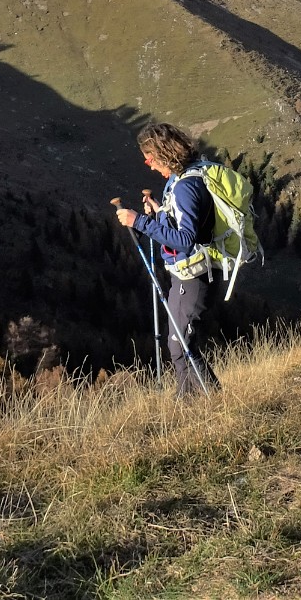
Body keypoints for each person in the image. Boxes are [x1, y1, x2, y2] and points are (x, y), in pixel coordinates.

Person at [115, 121, 220, 398]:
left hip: (194, 275)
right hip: (184, 274)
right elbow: (182, 221)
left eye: (149, 158)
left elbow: (186, 239)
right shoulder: (181, 177)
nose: (148, 165)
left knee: (181, 345)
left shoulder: (186, 185)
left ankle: (215, 401)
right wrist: (159, 213)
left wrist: (139, 222)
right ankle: (187, 404)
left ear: (164, 152)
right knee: (178, 343)